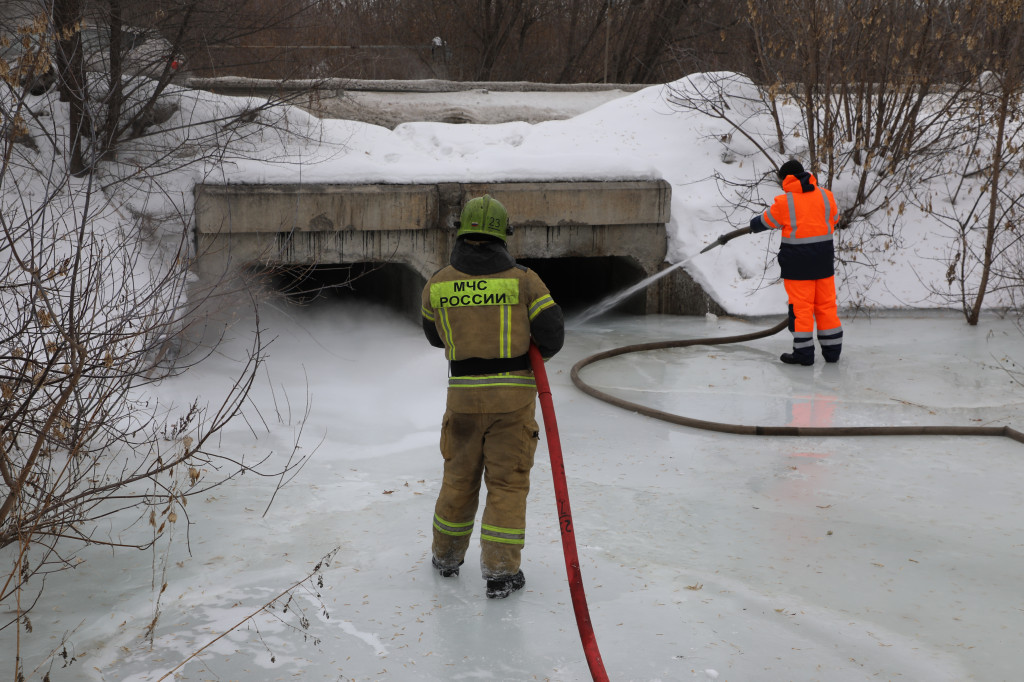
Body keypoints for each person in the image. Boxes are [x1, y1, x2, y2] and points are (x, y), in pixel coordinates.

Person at [420, 194, 564, 599]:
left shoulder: (439, 282)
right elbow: (552, 335)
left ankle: (446, 558)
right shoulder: (525, 280)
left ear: (462, 235)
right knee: (507, 485)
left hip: (461, 402)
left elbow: (434, 337)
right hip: (513, 404)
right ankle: (500, 573)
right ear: (504, 236)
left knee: (458, 480)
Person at [749, 160, 843, 365]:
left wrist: (752, 225)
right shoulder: (825, 196)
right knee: (826, 306)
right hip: (824, 263)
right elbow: (834, 218)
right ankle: (833, 352)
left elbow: (766, 221)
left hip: (798, 267)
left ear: (786, 179)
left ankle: (804, 354)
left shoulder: (785, 202)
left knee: (802, 309)